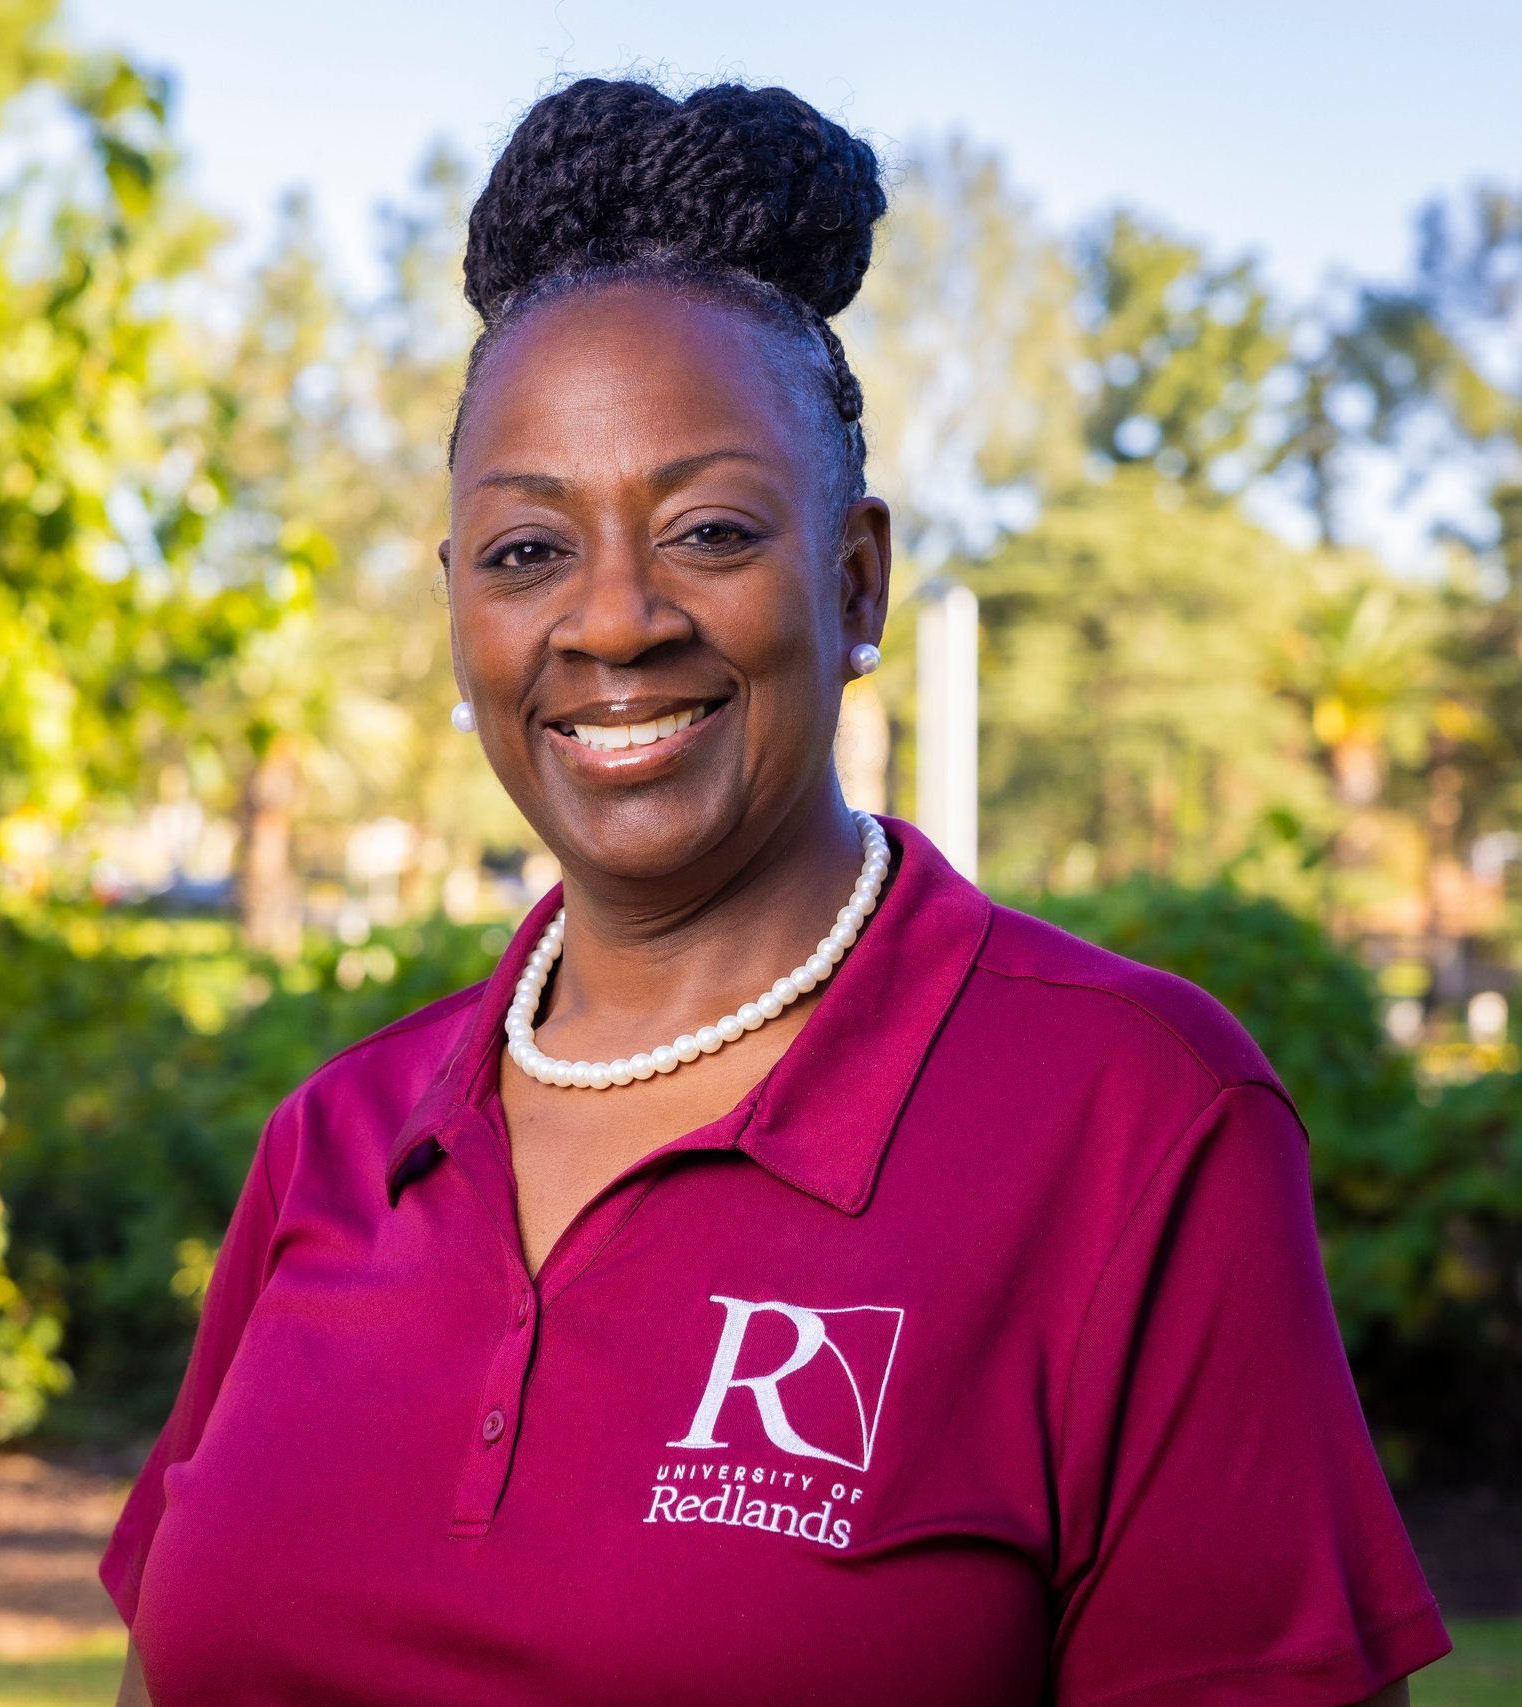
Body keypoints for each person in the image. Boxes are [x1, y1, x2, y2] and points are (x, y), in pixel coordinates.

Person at [106, 78, 1450, 1707]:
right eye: (528, 551)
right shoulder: (339, 1138)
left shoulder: (1137, 1123)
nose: (613, 622)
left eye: (711, 531)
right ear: (456, 607)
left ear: (857, 576)